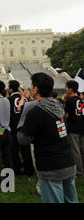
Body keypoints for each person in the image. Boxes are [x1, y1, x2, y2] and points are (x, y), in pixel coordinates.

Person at [18, 73, 78, 203]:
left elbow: (22, 139)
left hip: (50, 166)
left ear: (35, 89)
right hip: (67, 160)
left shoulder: (36, 111)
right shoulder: (59, 105)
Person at [8, 80, 34, 176]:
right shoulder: (26, 99)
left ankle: (17, 169)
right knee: (26, 150)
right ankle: (29, 169)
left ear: (10, 89)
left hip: (14, 127)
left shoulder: (9, 100)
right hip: (25, 127)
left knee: (14, 150)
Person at [64, 80, 84, 178]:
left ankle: (79, 172)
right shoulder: (81, 100)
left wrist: (64, 102)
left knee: (75, 151)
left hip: (73, 128)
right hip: (82, 126)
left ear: (71, 89)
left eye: (67, 87)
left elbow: (66, 115)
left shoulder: (70, 100)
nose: (66, 89)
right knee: (82, 149)